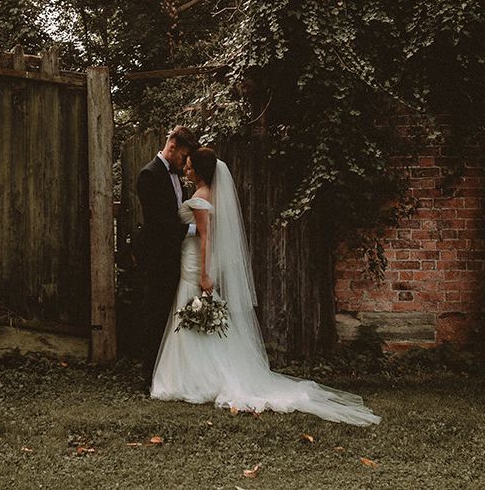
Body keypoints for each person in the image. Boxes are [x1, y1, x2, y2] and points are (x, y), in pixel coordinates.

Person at [151, 147, 381, 426]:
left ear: (198, 171)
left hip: (195, 265)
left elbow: (206, 239)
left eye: (188, 167)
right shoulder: (206, 195)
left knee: (190, 311)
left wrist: (205, 274)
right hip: (191, 260)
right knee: (194, 315)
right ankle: (193, 373)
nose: (185, 170)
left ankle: (192, 378)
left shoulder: (200, 199)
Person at [136, 125, 199, 381]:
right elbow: (160, 223)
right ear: (172, 146)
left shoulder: (175, 177)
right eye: (184, 156)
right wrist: (196, 230)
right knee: (156, 313)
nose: (185, 163)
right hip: (158, 257)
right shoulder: (148, 175)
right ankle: (149, 374)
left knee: (171, 314)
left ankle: (168, 370)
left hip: (177, 256)